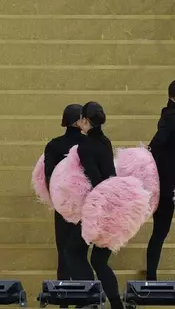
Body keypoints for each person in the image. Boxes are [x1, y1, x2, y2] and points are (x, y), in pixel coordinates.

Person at [63, 102, 123, 309]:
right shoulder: (105, 141)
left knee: (73, 251)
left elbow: (95, 179)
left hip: (99, 205)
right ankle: (116, 305)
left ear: (85, 121)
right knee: (99, 260)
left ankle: (90, 299)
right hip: (114, 203)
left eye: (80, 118)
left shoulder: (84, 146)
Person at [146, 79, 175, 281]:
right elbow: (158, 143)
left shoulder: (169, 115)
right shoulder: (173, 118)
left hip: (169, 182)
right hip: (169, 184)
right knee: (160, 231)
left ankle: (151, 274)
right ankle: (151, 276)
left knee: (160, 231)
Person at [43, 104, 84, 293]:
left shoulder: (53, 145)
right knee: (79, 254)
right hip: (83, 206)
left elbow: (48, 176)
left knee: (63, 251)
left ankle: (63, 299)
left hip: (61, 205)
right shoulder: (88, 144)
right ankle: (82, 296)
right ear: (78, 121)